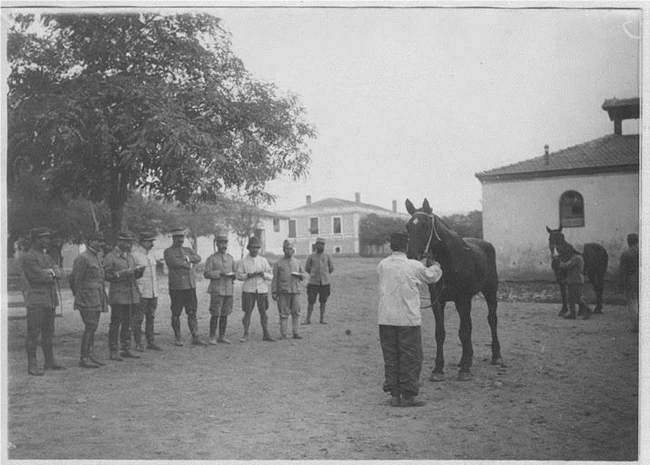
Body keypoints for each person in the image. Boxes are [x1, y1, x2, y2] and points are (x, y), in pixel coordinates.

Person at [376, 232, 443, 407]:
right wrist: (435, 265)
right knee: (411, 357)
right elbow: (431, 276)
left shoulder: (382, 265)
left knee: (391, 357)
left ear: (391, 246)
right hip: (407, 319)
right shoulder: (414, 266)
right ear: (406, 246)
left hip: (385, 318)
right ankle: (409, 395)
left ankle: (394, 395)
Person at [21, 227, 65, 375]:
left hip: (49, 299)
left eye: (47, 237)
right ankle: (32, 365)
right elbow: (37, 277)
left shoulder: (47, 257)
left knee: (48, 331)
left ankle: (49, 361)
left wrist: (51, 273)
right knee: (33, 333)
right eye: (43, 238)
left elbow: (60, 273)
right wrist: (51, 274)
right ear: (35, 239)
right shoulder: (29, 257)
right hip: (36, 300)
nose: (47, 240)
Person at [69, 231, 109, 368]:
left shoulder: (96, 257)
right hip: (86, 298)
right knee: (90, 326)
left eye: (102, 241)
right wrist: (79, 295)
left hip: (96, 297)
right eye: (98, 240)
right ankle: (84, 358)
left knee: (93, 326)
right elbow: (74, 279)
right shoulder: (83, 258)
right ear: (90, 241)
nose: (101, 243)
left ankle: (90, 355)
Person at [104, 231, 144, 360]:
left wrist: (138, 272)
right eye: (126, 241)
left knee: (128, 323)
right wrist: (122, 274)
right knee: (116, 323)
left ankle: (126, 348)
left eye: (130, 242)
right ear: (119, 241)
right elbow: (106, 275)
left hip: (130, 295)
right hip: (118, 295)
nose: (128, 244)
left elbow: (133, 274)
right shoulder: (110, 257)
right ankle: (113, 350)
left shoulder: (129, 257)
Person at [164, 228, 206, 346]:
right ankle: (178, 338)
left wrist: (187, 259)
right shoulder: (168, 251)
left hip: (190, 286)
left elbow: (198, 258)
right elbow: (174, 262)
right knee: (176, 313)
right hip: (177, 287)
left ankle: (195, 336)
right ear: (173, 238)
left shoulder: (187, 250)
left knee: (192, 312)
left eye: (182, 238)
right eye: (177, 238)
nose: (180, 240)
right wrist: (188, 264)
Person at [235, 236, 274, 342]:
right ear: (248, 248)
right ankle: (245, 334)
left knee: (263, 312)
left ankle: (266, 333)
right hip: (249, 290)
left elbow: (271, 276)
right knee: (247, 312)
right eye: (252, 247)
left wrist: (263, 274)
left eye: (256, 247)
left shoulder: (263, 260)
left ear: (259, 248)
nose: (254, 250)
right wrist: (248, 276)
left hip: (262, 289)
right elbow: (238, 275)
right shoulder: (243, 261)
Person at [131, 231, 162, 351]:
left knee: (151, 317)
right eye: (149, 241)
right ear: (142, 242)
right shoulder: (134, 255)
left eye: (152, 241)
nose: (151, 244)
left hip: (153, 291)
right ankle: (139, 342)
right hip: (141, 292)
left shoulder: (151, 255)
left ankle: (151, 341)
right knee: (138, 318)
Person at [204, 234, 236, 345]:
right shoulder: (212, 258)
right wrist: (220, 273)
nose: (224, 245)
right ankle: (212, 336)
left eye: (225, 243)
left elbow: (234, 272)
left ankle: (222, 336)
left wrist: (233, 275)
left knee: (225, 313)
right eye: (221, 243)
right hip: (217, 290)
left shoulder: (230, 258)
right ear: (217, 244)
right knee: (215, 313)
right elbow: (206, 274)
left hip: (228, 290)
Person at [271, 239, 306, 340]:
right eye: (287, 249)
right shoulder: (278, 264)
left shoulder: (298, 263)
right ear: (283, 249)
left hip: (296, 291)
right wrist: (274, 291)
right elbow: (275, 279)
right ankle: (284, 334)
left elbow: (304, 274)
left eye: (291, 249)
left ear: (293, 250)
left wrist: (300, 275)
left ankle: (296, 332)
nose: (289, 251)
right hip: (283, 292)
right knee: (283, 313)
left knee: (296, 312)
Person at [555, 244, 592, 320]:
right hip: (575, 280)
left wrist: (559, 262)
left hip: (575, 280)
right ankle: (574, 313)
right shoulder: (578, 258)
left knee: (575, 298)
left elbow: (567, 265)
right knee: (573, 298)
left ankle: (585, 310)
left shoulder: (577, 258)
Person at [304, 237, 335, 324]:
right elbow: (307, 268)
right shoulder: (311, 256)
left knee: (323, 300)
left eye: (323, 244)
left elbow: (331, 268)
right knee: (311, 300)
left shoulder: (328, 256)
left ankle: (322, 319)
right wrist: (313, 274)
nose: (321, 246)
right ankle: (308, 319)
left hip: (325, 282)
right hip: (313, 282)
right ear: (316, 245)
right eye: (319, 244)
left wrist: (325, 274)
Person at [619, 233, 639, 333]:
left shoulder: (626, 254)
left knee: (632, 303)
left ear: (628, 242)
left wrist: (621, 284)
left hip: (631, 280)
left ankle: (636, 325)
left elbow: (622, 271)